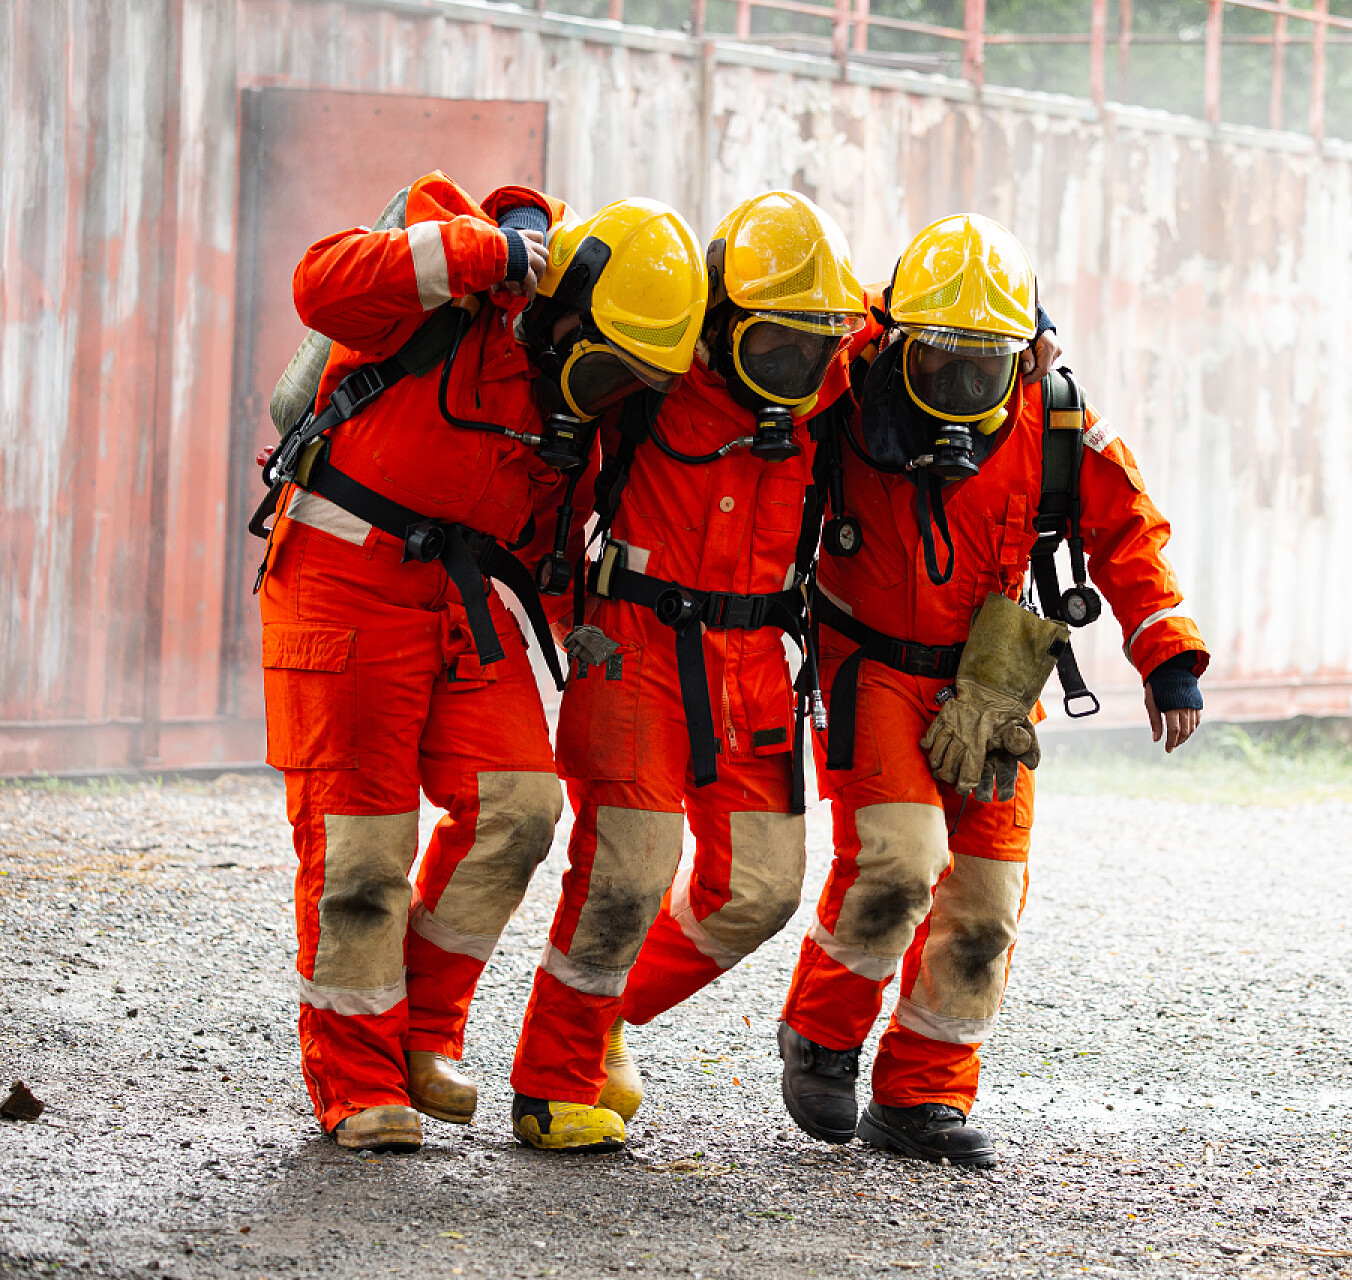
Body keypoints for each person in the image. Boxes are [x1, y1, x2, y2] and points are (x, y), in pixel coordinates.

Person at [259, 175, 707, 1151]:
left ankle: (419, 1033)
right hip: (343, 580)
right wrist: (480, 253)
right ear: (565, 311)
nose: (607, 395)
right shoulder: (453, 290)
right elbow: (317, 285)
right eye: (607, 368)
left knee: (520, 806)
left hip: (460, 600)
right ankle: (356, 1080)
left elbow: (547, 540)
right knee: (361, 850)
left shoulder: (568, 414)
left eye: (630, 382)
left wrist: (580, 628)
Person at [774, 213, 1207, 1168]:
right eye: (940, 358)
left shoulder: (1056, 415)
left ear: (1025, 351)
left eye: (986, 364)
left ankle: (922, 1094)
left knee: (987, 899)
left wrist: (1167, 655)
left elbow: (1129, 530)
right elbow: (813, 336)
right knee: (899, 860)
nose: (963, 383)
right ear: (901, 340)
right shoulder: (848, 384)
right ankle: (822, 1038)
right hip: (869, 664)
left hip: (992, 676)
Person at [506, 190, 873, 1152]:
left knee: (759, 889)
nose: (796, 369)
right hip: (635, 644)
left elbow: (916, 328)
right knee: (626, 872)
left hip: (754, 661)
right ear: (720, 320)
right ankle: (551, 1085)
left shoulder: (831, 373)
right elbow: (552, 490)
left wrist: (1034, 334)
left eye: (814, 346)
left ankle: (603, 1015)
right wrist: (564, 619)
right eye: (775, 346)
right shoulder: (651, 376)